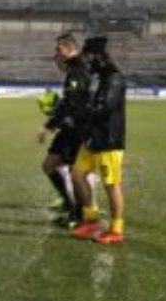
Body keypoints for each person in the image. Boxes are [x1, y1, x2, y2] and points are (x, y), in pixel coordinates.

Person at [70, 36, 127, 244]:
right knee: (77, 175)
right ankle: (91, 220)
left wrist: (80, 113)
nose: (86, 60)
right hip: (92, 137)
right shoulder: (96, 76)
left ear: (97, 56)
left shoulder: (114, 77)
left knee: (112, 184)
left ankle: (117, 230)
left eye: (88, 56)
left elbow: (105, 108)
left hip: (108, 140)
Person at [38, 33, 92, 224]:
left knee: (75, 174)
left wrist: (48, 126)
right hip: (68, 129)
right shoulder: (74, 70)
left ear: (70, 48)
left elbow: (72, 106)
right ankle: (70, 206)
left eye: (59, 49)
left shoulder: (79, 71)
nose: (56, 53)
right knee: (49, 165)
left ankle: (80, 215)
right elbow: (69, 103)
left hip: (77, 130)